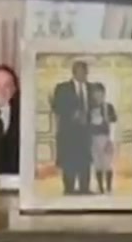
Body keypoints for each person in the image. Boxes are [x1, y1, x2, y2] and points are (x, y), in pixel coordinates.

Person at [50, 60, 93, 194]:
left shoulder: (92, 88)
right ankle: (69, 189)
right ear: (74, 72)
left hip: (86, 133)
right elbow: (56, 107)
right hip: (68, 132)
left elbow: (97, 107)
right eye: (81, 71)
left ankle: (85, 189)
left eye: (85, 71)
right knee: (69, 161)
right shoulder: (62, 88)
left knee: (85, 161)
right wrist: (72, 114)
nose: (84, 74)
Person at [86, 83, 118, 194]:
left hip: (106, 138)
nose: (97, 95)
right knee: (97, 164)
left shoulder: (108, 107)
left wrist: (111, 140)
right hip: (93, 139)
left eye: (99, 92)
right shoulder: (89, 108)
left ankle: (108, 187)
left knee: (107, 163)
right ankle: (100, 188)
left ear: (103, 94)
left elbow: (113, 124)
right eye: (95, 92)